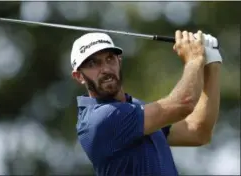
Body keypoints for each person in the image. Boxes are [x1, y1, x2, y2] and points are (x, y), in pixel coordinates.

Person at [70, 30, 222, 175]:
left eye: (110, 58)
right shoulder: (100, 119)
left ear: (119, 61)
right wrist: (195, 59)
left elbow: (198, 132)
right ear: (79, 76)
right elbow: (184, 103)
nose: (105, 69)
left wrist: (212, 62)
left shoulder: (135, 108)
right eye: (92, 64)